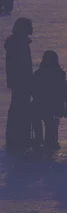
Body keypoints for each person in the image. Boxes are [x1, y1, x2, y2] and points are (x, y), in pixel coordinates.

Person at [4, 18, 33, 153]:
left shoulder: (17, 43)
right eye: (29, 26)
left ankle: (16, 137)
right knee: (20, 108)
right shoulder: (19, 44)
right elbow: (23, 66)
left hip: (18, 81)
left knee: (17, 108)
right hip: (21, 81)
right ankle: (20, 137)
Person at [31, 51, 66, 151]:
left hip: (40, 104)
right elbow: (63, 91)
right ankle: (50, 141)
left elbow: (33, 90)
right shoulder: (60, 74)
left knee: (36, 118)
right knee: (50, 121)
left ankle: (39, 137)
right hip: (54, 104)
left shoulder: (38, 74)